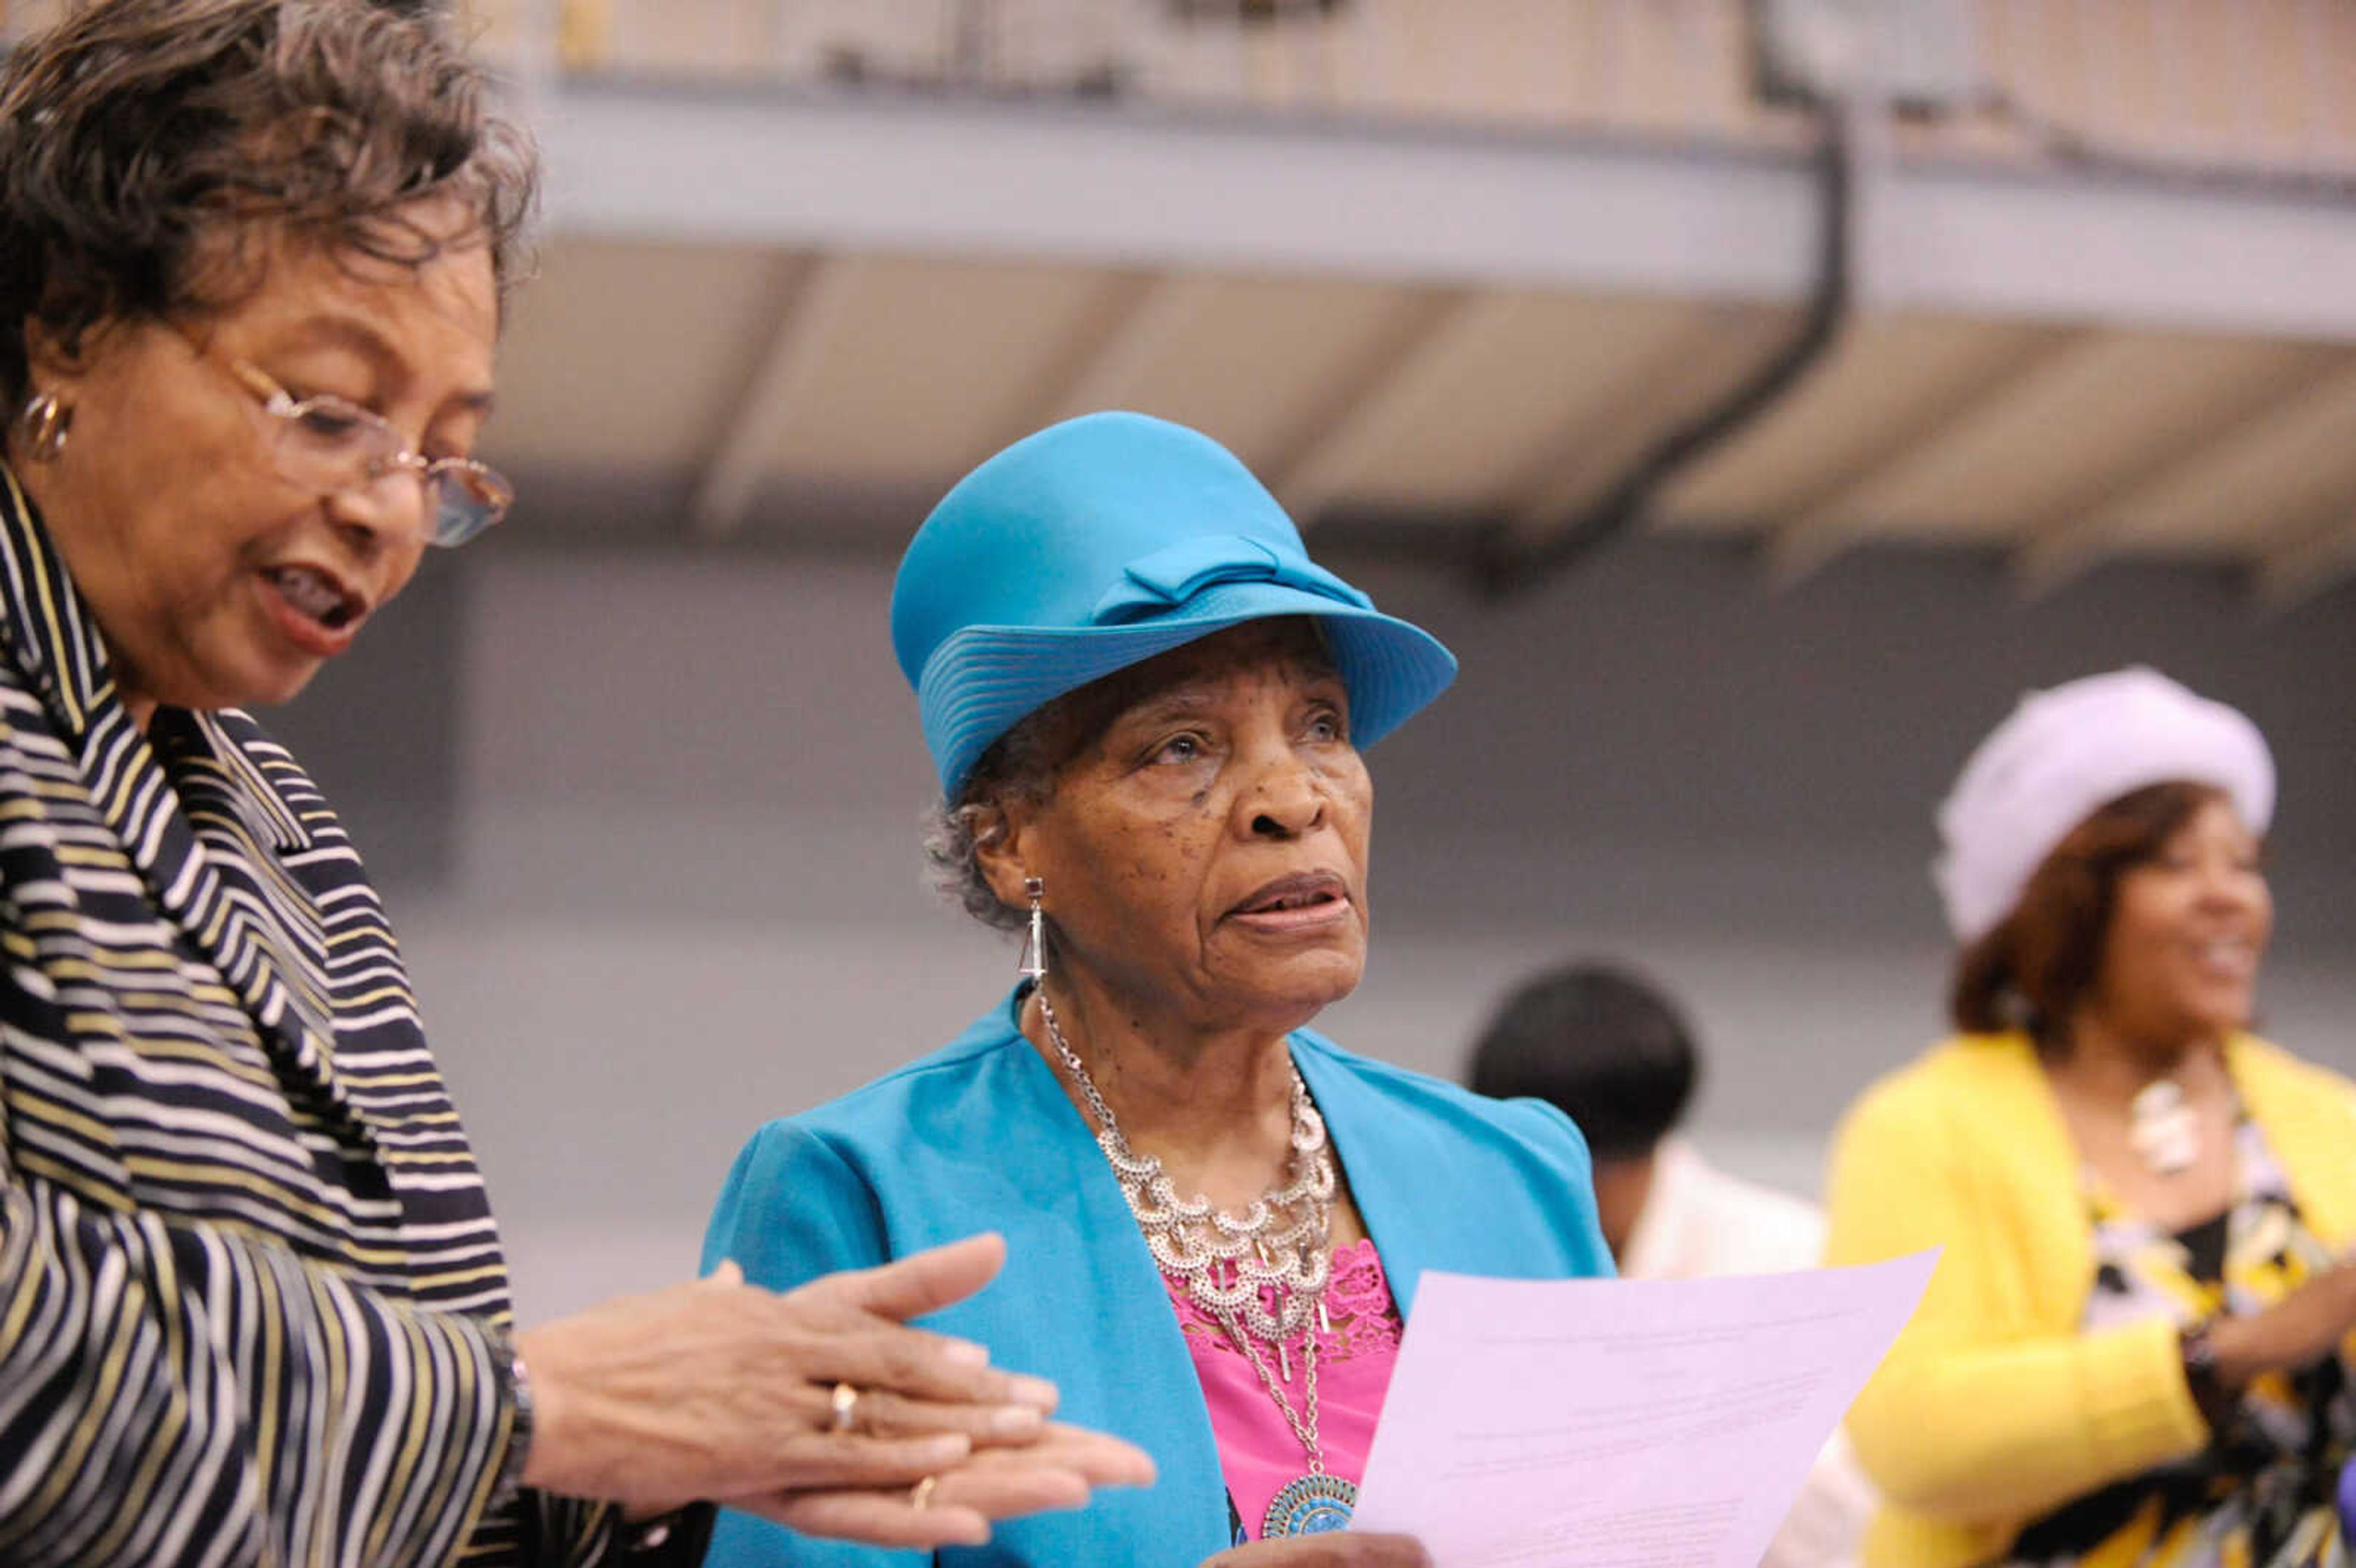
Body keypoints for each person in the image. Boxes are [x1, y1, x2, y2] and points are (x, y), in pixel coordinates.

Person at [0, 4, 1151, 1564]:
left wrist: (664, 1462)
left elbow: (393, 1452)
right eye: (332, 407)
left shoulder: (277, 830)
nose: (383, 510)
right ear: (67, 321)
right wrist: (542, 1404)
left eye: (441, 457)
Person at [699, 411, 1614, 1567]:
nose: (1295, 798)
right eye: (1182, 746)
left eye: (1321, 725)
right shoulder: (867, 1197)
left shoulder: (1513, 1175)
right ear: (1011, 843)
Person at [1825, 668, 2356, 1568]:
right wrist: (2228, 1356)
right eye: (2178, 864)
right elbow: (1911, 1439)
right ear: (2070, 904)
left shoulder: (2328, 1116)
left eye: (2244, 864)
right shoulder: (1926, 1129)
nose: (2230, 896)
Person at [1467, 961, 1873, 1568]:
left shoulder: (1789, 1255)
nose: (1551, 1196)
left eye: (1580, 1174)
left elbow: (1850, 1510)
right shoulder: (1456, 1260)